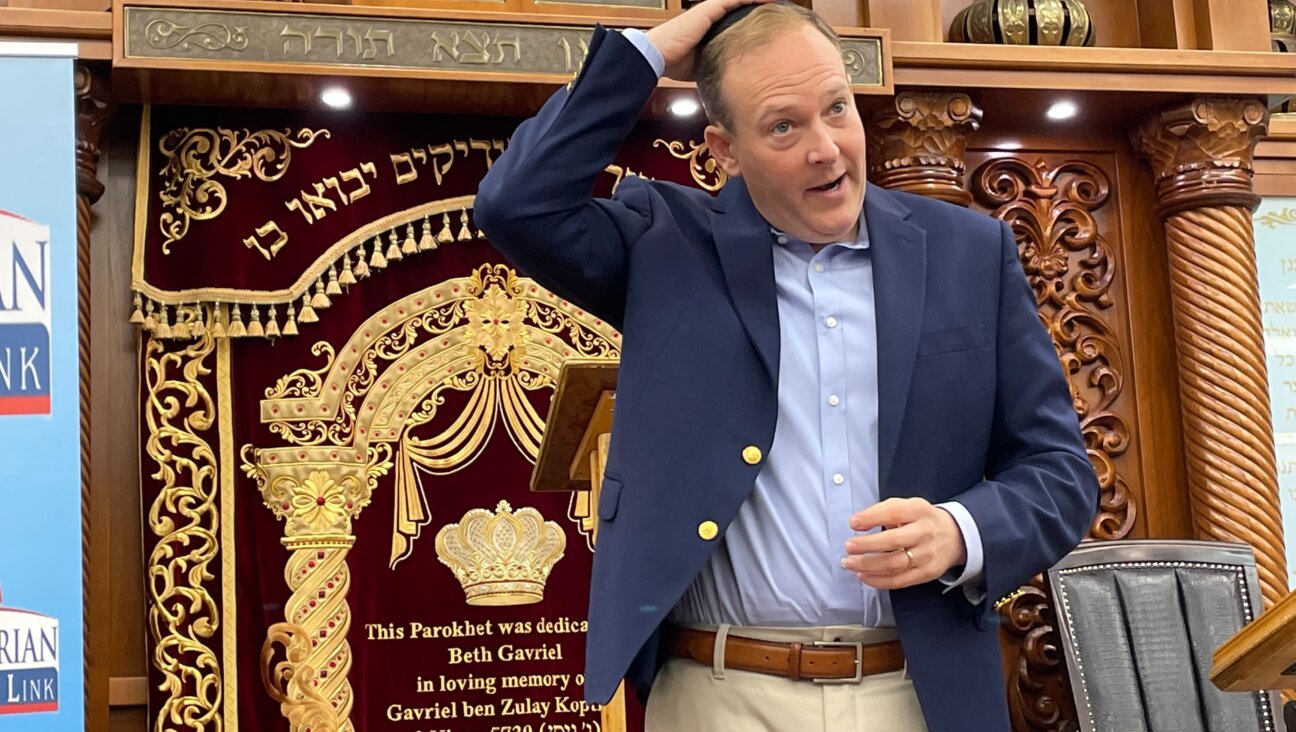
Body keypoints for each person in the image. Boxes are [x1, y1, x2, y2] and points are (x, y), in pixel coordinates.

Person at [474, 1, 1099, 729]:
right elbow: (516, 205)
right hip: (720, 692)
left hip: (916, 693)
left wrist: (962, 530)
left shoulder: (968, 253)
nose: (827, 149)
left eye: (836, 109)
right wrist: (643, 56)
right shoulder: (665, 244)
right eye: (783, 126)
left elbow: (1059, 472)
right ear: (724, 149)